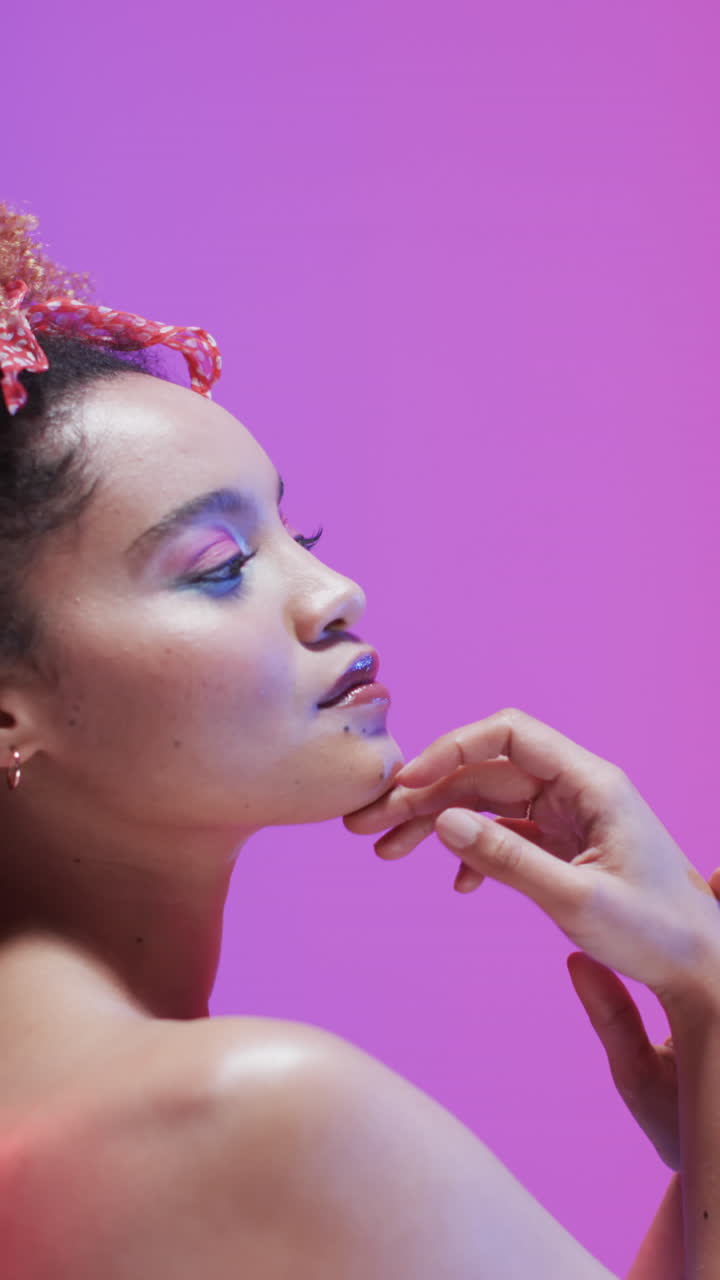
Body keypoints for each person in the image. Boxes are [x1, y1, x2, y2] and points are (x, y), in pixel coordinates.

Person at [0, 202, 715, 1278]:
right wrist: (705, 984)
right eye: (219, 564)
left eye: (303, 533)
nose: (336, 591)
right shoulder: (256, 1110)